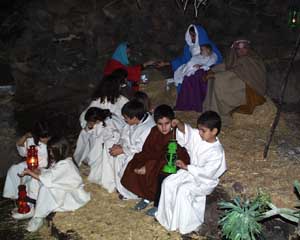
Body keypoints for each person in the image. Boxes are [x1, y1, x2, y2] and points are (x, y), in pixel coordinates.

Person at [155, 111, 226, 234]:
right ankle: (167, 218)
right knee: (168, 183)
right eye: (199, 129)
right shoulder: (199, 137)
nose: (199, 133)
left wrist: (187, 167)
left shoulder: (217, 152)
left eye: (203, 131)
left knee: (184, 190)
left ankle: (187, 225)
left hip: (205, 181)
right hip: (190, 173)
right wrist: (179, 123)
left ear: (214, 131)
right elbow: (187, 132)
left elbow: (208, 172)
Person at [120, 104, 190, 211]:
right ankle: (147, 196)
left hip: (172, 162)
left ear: (172, 121)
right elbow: (147, 149)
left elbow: (169, 155)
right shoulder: (154, 131)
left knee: (159, 170)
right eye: (160, 124)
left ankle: (158, 204)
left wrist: (148, 167)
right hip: (155, 159)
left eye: (167, 123)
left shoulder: (176, 133)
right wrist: (143, 162)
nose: (164, 127)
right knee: (135, 161)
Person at [13, 137, 90, 232]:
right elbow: (51, 173)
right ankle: (31, 206)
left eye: (52, 151)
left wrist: (30, 172)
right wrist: (38, 171)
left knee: (45, 188)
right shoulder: (62, 161)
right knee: (34, 181)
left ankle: (38, 216)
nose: (50, 153)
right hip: (61, 188)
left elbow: (50, 179)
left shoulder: (66, 164)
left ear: (60, 151)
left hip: (68, 194)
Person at [157, 24, 222, 112]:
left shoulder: (208, 46)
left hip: (204, 70)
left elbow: (215, 59)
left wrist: (204, 67)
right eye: (191, 35)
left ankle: (194, 105)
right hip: (191, 68)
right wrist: (166, 63)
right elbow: (183, 60)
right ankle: (184, 104)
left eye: (194, 35)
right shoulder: (189, 47)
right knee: (183, 77)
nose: (192, 38)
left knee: (192, 79)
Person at [203, 39, 266, 124]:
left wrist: (216, 75)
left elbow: (237, 71)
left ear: (248, 49)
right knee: (214, 79)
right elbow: (226, 65)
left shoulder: (252, 59)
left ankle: (224, 114)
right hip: (237, 80)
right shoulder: (235, 58)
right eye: (238, 49)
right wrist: (212, 71)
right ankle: (213, 112)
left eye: (244, 48)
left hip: (249, 87)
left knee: (220, 80)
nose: (242, 50)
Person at [109, 100, 155, 200]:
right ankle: (121, 187)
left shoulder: (148, 128)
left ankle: (131, 193)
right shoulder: (134, 121)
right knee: (117, 158)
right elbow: (124, 134)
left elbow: (140, 148)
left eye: (126, 118)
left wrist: (122, 150)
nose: (124, 120)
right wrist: (119, 145)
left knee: (125, 165)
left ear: (134, 118)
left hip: (142, 155)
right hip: (129, 150)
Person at [73, 107, 123, 192]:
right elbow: (92, 133)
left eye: (91, 121)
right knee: (85, 135)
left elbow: (116, 135)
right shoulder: (98, 123)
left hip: (110, 147)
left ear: (97, 120)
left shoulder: (111, 121)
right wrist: (89, 129)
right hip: (99, 144)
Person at [3, 121, 51, 201]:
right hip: (31, 163)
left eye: (47, 137)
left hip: (46, 167)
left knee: (33, 182)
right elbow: (20, 147)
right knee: (14, 169)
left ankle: (30, 198)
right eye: (43, 137)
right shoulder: (32, 141)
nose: (46, 139)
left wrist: (42, 168)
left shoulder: (53, 141)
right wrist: (25, 136)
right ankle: (16, 195)